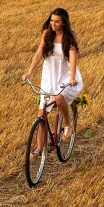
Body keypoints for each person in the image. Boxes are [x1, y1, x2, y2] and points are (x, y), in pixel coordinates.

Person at [22, 8, 83, 152]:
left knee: (59, 97)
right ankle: (38, 149)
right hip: (49, 73)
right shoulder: (47, 33)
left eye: (57, 21)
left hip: (65, 72)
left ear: (63, 23)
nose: (53, 24)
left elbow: (72, 56)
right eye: (51, 21)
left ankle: (67, 124)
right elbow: (39, 54)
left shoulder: (70, 34)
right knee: (41, 114)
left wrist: (73, 77)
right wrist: (29, 72)